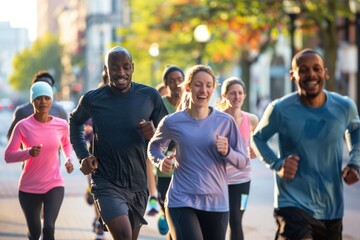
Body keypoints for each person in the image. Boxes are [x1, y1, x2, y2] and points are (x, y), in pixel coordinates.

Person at [251, 48, 360, 240]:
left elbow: (356, 130)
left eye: (316, 69)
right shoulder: (279, 109)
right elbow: (257, 138)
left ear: (325, 73)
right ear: (293, 75)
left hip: (331, 207)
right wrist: (278, 165)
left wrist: (354, 163)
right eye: (303, 70)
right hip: (291, 203)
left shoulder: (344, 107)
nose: (311, 74)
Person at [69, 46, 168, 240]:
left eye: (125, 67)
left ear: (132, 67)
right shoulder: (93, 99)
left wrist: (154, 134)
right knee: (122, 235)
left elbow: (168, 135)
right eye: (114, 68)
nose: (121, 73)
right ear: (106, 70)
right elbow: (75, 122)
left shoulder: (149, 96)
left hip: (138, 184)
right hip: (106, 182)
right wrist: (83, 155)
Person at [147, 64, 248, 240]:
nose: (203, 90)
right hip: (181, 199)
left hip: (216, 203)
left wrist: (227, 152)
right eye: (198, 84)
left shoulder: (226, 122)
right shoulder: (173, 121)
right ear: (188, 87)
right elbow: (154, 147)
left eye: (209, 85)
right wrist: (160, 161)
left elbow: (242, 161)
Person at [4, 81, 74, 240]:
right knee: (35, 233)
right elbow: (8, 156)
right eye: (39, 98)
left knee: (49, 227)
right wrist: (28, 152)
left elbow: (66, 144)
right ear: (32, 101)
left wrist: (68, 159)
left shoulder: (61, 125)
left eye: (47, 98)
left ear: (51, 100)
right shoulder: (23, 126)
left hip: (54, 184)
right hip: (29, 188)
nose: (43, 101)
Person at [217, 77, 259, 240]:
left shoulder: (251, 119)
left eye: (240, 93)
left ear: (245, 96)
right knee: (221, 220)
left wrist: (254, 149)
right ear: (225, 96)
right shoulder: (217, 119)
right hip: (219, 179)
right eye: (233, 93)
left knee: (236, 220)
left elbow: (257, 141)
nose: (237, 97)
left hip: (243, 180)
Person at [147, 65, 185, 237]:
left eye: (180, 80)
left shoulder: (191, 105)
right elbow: (153, 140)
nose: (176, 84)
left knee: (180, 222)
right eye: (172, 81)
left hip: (186, 172)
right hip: (164, 173)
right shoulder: (159, 105)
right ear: (166, 84)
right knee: (173, 220)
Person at [7, 70, 68, 139]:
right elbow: (11, 136)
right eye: (41, 86)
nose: (44, 89)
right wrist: (25, 149)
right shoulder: (21, 112)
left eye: (47, 86)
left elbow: (68, 136)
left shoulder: (59, 110)